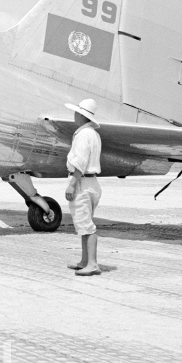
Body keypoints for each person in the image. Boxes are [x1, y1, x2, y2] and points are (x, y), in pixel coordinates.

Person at [64, 98, 102, 277]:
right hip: (92, 183)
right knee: (84, 225)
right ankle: (85, 261)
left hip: (82, 182)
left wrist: (72, 184)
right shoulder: (93, 134)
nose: (74, 115)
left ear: (81, 115)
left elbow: (80, 162)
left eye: (76, 113)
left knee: (86, 226)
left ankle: (92, 264)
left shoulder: (83, 135)